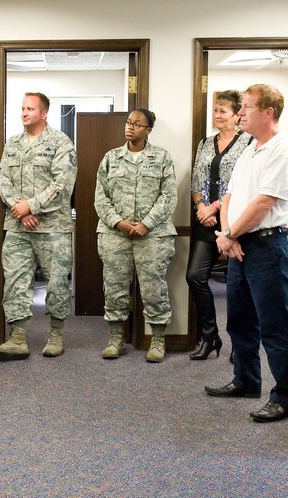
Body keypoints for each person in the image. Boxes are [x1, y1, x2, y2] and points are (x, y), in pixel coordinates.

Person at [204, 84, 288, 423]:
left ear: (269, 112)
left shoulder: (284, 149)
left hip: (266, 245)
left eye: (247, 107)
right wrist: (229, 236)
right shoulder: (251, 148)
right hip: (239, 243)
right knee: (240, 321)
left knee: (276, 325)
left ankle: (284, 398)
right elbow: (230, 195)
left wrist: (230, 234)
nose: (241, 113)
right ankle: (246, 380)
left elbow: (264, 204)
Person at [0, 92, 77, 360]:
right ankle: (17, 339)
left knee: (57, 283)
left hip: (53, 228)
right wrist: (20, 208)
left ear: (44, 113)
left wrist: (32, 206)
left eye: (30, 109)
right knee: (15, 281)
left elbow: (63, 185)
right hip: (18, 227)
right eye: (23, 108)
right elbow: (5, 182)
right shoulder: (12, 144)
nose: (24, 113)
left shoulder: (61, 143)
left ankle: (56, 335)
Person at [94, 109, 176, 362]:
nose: (130, 127)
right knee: (115, 288)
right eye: (128, 123)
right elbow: (100, 197)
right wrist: (118, 222)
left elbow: (168, 196)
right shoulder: (111, 158)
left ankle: (158, 341)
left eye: (137, 124)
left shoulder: (161, 158)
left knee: (154, 289)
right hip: (115, 236)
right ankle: (116, 339)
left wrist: (147, 224)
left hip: (152, 237)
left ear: (148, 130)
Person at [187, 90, 254, 361]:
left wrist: (216, 207)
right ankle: (209, 336)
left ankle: (241, 344)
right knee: (194, 277)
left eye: (223, 111)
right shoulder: (205, 143)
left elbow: (245, 185)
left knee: (240, 288)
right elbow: (195, 180)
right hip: (206, 221)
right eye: (215, 110)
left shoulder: (249, 143)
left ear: (237, 114)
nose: (216, 115)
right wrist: (201, 207)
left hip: (236, 221)